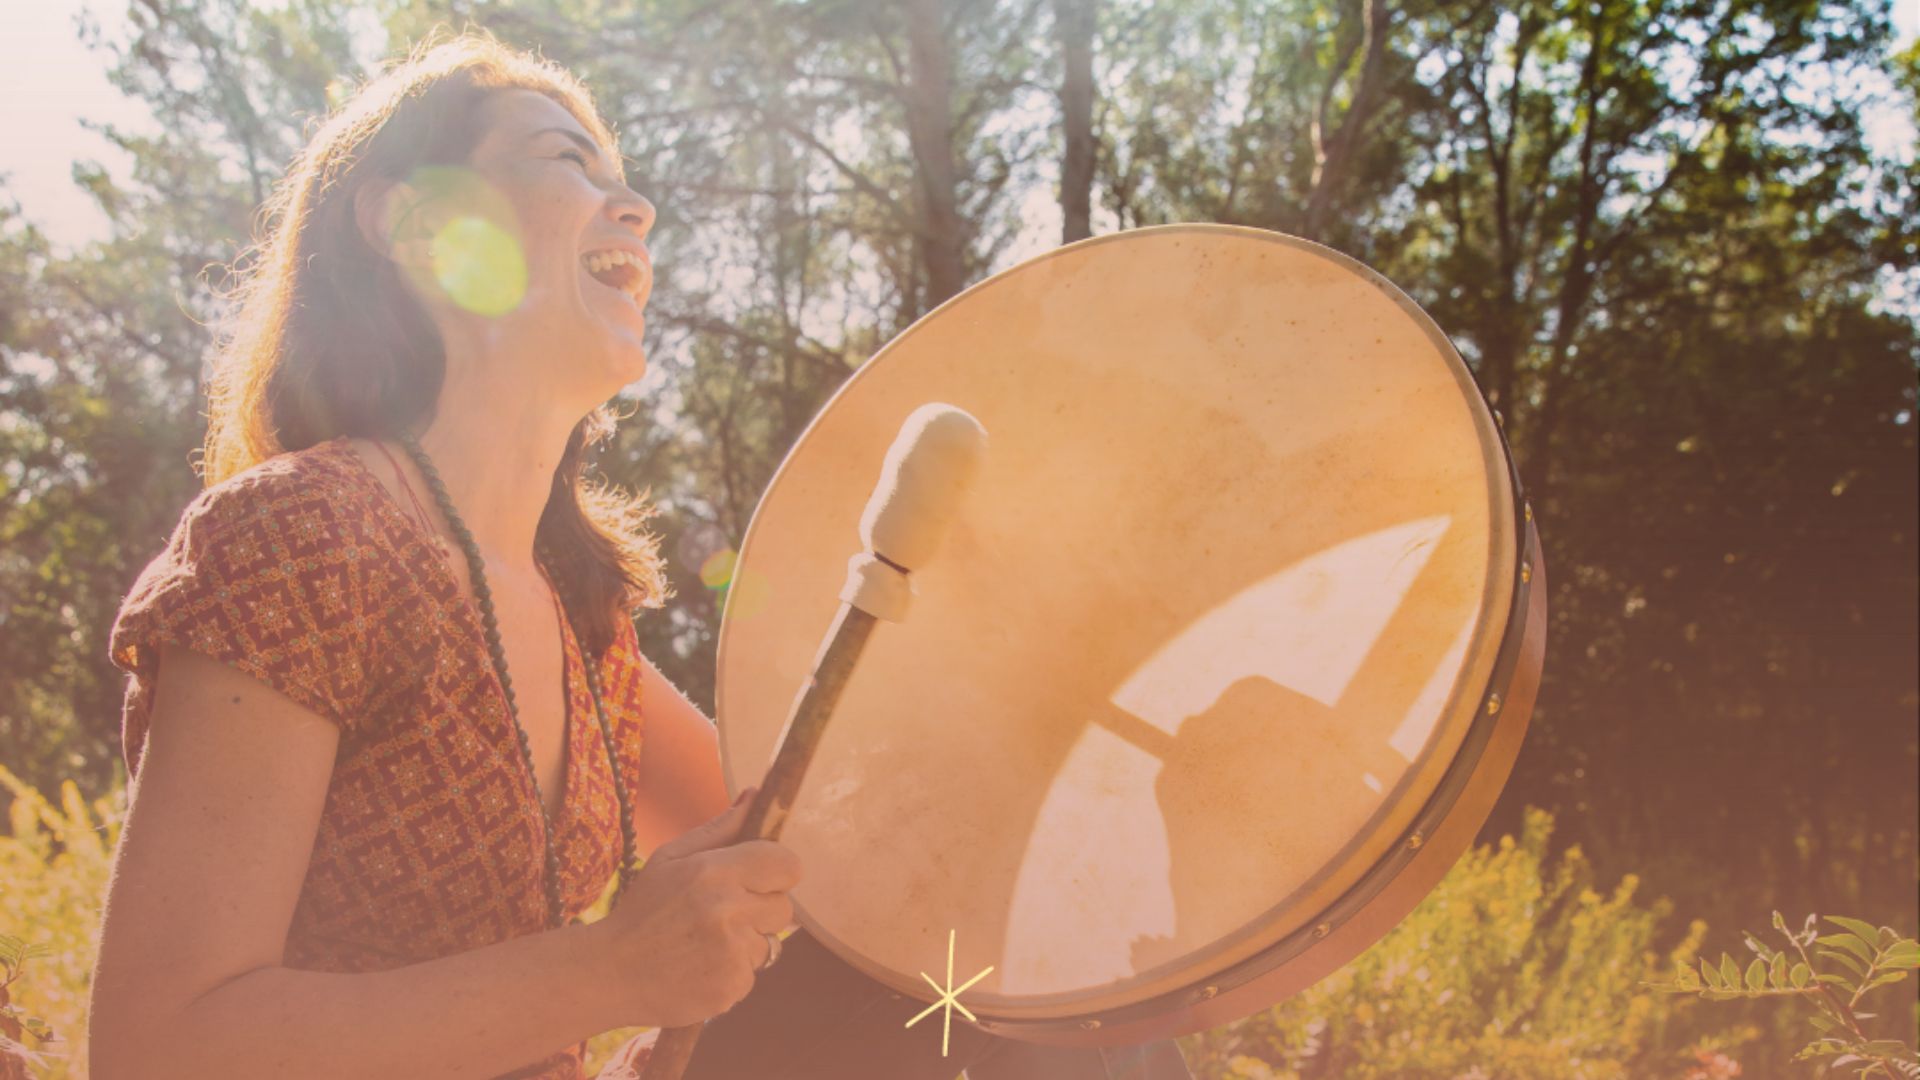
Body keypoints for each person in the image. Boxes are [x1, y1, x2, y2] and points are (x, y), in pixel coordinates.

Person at [85, 26, 1192, 1080]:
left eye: (620, 172)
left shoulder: (577, 620)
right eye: (566, 160)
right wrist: (611, 969)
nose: (637, 206)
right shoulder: (300, 537)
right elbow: (157, 1048)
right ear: (417, 227)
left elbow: (820, 861)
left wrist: (1090, 747)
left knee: (1009, 989)